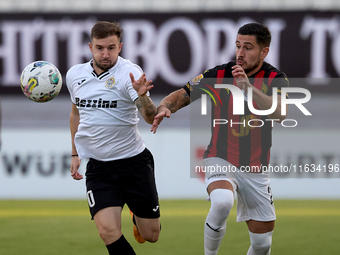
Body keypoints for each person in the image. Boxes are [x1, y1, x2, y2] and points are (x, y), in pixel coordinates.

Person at [152, 23, 289, 255]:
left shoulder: (276, 77)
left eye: (248, 47)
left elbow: (280, 113)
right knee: (223, 201)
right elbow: (182, 95)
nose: (240, 53)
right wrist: (165, 106)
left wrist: (247, 88)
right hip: (220, 156)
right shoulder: (219, 74)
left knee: (262, 244)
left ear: (264, 52)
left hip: (255, 167)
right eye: (237, 46)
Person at [66, 21, 160, 255]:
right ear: (90, 47)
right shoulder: (75, 75)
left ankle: (137, 218)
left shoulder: (130, 74)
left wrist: (143, 96)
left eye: (111, 48)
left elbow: (149, 117)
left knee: (151, 235)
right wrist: (75, 153)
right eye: (100, 48)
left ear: (120, 47)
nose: (105, 53)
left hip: (134, 163)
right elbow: (75, 114)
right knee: (107, 231)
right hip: (99, 167)